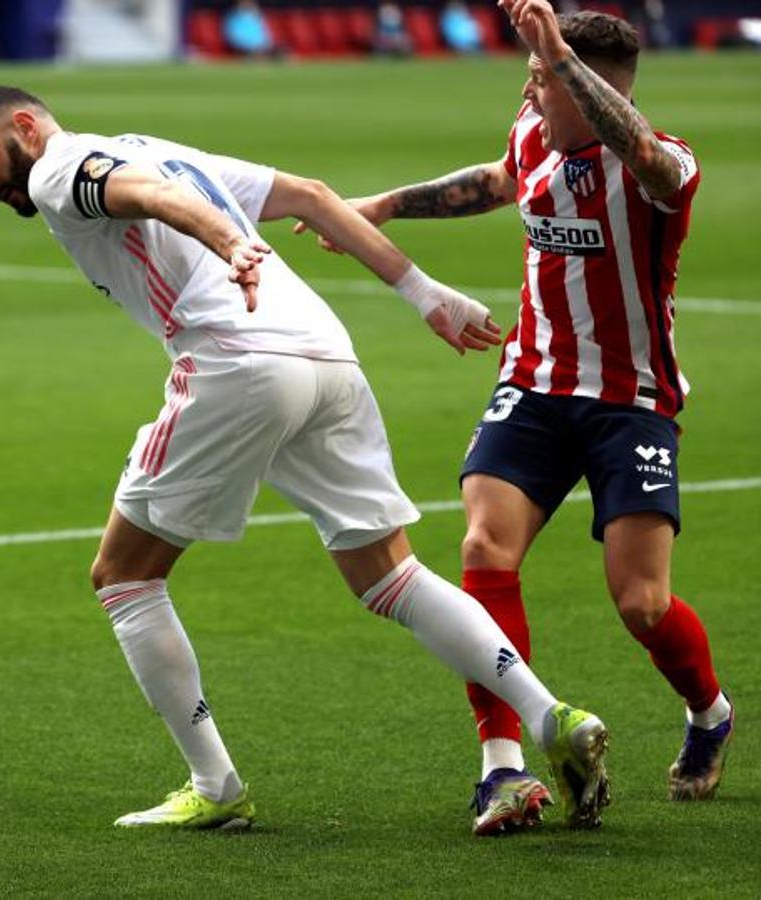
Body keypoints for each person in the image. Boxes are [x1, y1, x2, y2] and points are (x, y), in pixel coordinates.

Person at [0, 84, 612, 830]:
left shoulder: (58, 169)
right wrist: (423, 293)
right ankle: (548, 714)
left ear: (27, 126)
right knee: (389, 574)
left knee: (124, 575)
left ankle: (216, 787)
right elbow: (310, 195)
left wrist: (231, 244)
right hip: (328, 359)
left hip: (237, 363)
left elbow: (146, 197)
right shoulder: (153, 145)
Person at [309, 0, 732, 836]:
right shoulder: (536, 128)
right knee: (481, 548)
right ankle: (503, 767)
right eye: (534, 72)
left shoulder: (666, 167)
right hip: (535, 384)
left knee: (642, 602)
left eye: (543, 75)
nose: (530, 87)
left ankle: (710, 712)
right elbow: (501, 180)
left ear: (593, 85)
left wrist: (560, 59)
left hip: (630, 400)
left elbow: (639, 151)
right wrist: (386, 206)